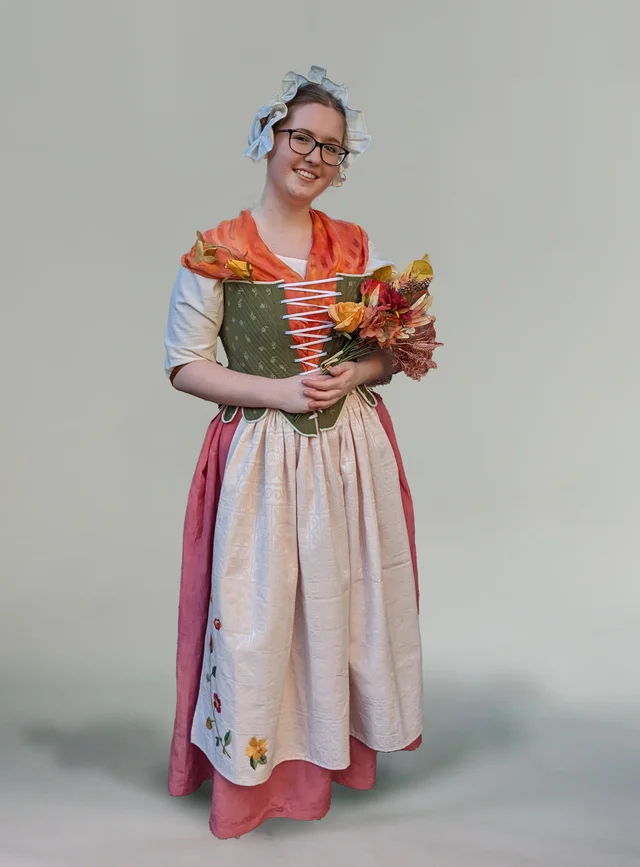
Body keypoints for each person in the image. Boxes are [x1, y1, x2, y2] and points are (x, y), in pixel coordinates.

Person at [164, 66, 424, 839]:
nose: (314, 156)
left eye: (332, 148)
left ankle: (329, 757)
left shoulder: (354, 245)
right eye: (301, 137)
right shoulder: (217, 249)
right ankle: (252, 779)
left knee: (340, 606)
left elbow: (392, 354)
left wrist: (362, 370)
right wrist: (276, 393)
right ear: (269, 139)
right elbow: (184, 363)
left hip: (349, 452)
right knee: (261, 612)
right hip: (264, 459)